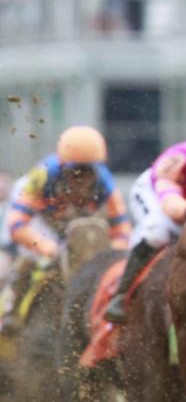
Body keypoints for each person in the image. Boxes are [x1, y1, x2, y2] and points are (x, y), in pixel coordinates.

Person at [104, 119, 186, 324]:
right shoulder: (174, 161)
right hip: (156, 195)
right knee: (158, 231)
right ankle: (121, 294)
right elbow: (170, 203)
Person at [1, 126, 130, 334]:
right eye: (75, 172)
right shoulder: (42, 175)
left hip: (74, 222)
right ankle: (11, 311)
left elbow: (121, 228)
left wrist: (112, 254)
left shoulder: (105, 182)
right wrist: (46, 247)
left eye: (88, 172)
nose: (82, 179)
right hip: (39, 220)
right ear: (62, 167)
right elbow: (17, 224)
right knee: (32, 258)